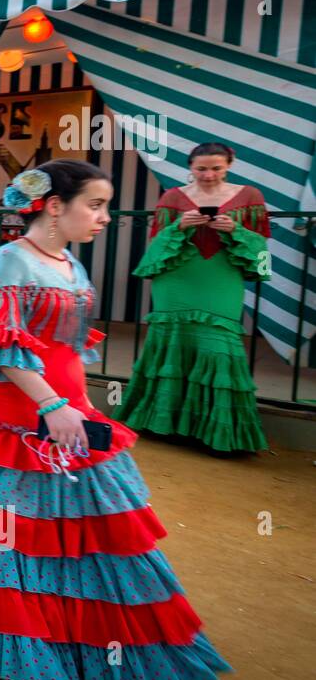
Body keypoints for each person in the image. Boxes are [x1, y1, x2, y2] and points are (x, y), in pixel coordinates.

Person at [0, 160, 230, 680]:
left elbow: (68, 347)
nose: (104, 217)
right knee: (5, 527)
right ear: (54, 205)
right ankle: (13, 637)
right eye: (94, 205)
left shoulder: (70, 265)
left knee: (97, 533)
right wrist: (50, 404)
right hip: (13, 419)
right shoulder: (7, 262)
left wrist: (81, 403)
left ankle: (115, 658)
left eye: (105, 207)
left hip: (66, 415)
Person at [114, 142, 271, 453]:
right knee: (172, 342)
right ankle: (162, 423)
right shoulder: (173, 197)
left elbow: (261, 244)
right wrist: (180, 225)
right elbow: (156, 247)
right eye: (201, 169)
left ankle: (218, 434)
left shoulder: (250, 196)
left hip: (222, 277)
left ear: (230, 164)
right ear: (190, 168)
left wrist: (236, 230)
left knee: (220, 344)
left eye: (216, 168)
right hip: (176, 280)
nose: (208, 174)